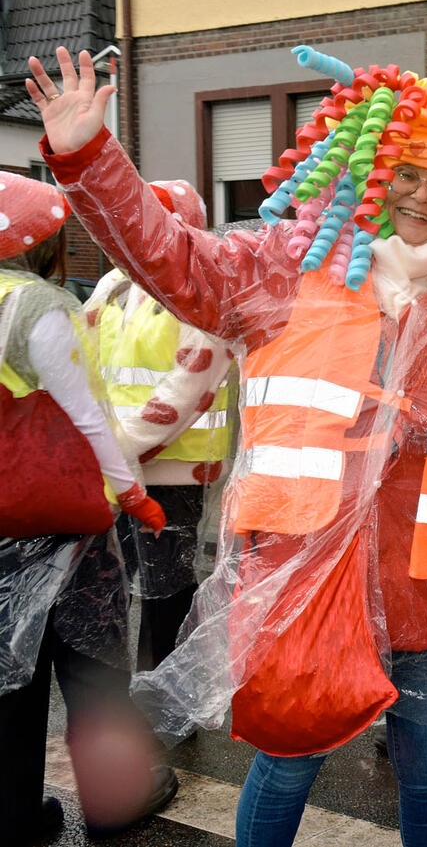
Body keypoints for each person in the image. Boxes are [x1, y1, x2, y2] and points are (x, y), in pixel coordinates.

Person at [28, 45, 427, 847]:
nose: (423, 194)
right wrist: (89, 158)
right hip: (303, 573)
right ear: (369, 170)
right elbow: (172, 257)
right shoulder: (285, 268)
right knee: (288, 759)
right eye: (406, 172)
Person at [0, 171, 178, 844]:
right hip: (64, 518)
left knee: (12, 673)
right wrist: (132, 493)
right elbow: (90, 419)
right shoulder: (38, 307)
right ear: (44, 242)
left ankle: (13, 816)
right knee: (92, 667)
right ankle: (109, 805)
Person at [84, 179, 235, 673]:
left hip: (176, 468)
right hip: (116, 463)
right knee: (117, 583)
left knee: (163, 589)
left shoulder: (200, 287)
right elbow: (81, 360)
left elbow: (190, 385)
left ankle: (162, 692)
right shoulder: (113, 283)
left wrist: (118, 445)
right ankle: (136, 689)